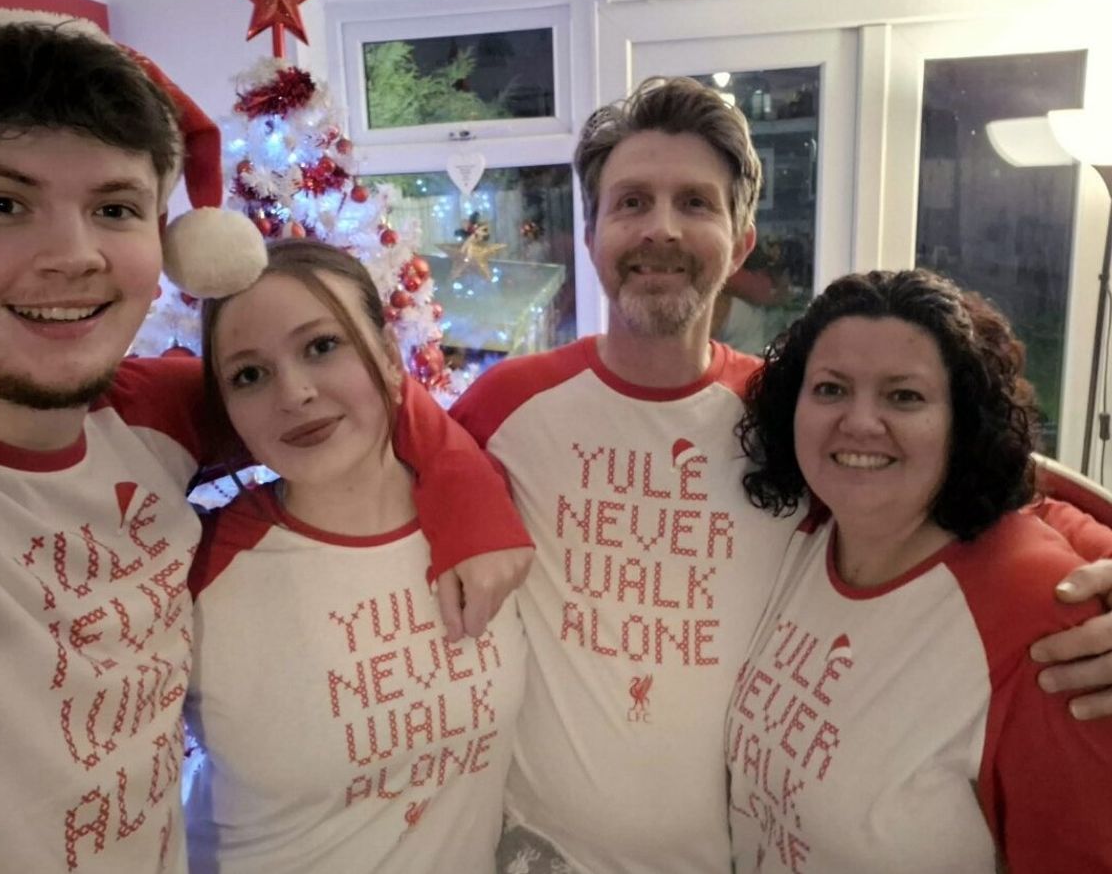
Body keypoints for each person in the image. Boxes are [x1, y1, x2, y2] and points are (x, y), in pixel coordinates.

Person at [0, 10, 529, 873]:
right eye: (3, 203)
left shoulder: (157, 414)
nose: (71, 253)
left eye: (115, 206)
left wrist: (469, 496)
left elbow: (354, 391)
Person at [450, 75, 1112, 874]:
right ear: (591, 233)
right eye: (631, 201)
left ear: (742, 238)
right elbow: (404, 474)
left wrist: (1096, 565)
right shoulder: (506, 404)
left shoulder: (792, 414)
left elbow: (988, 482)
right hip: (537, 853)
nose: (660, 228)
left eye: (695, 202)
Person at [730, 268, 1112, 871]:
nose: (858, 422)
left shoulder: (1042, 612)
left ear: (963, 421)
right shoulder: (805, 534)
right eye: (830, 389)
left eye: (903, 395)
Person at [182, 238, 527, 873]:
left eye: (321, 346)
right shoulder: (198, 568)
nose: (294, 393)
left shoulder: (494, 522)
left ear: (392, 359)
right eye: (248, 375)